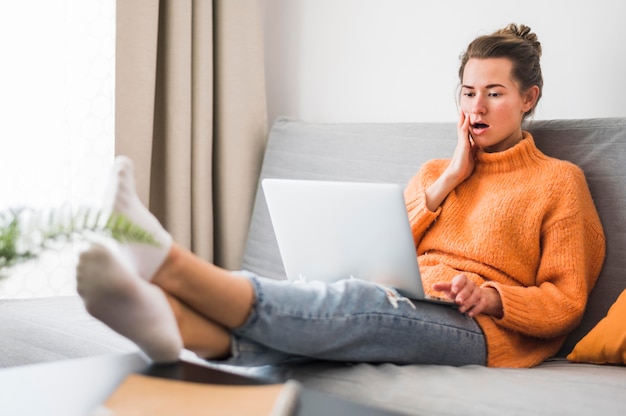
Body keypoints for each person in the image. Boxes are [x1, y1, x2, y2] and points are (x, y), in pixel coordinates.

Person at [77, 23, 606, 369]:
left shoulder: (558, 182)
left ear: (529, 97)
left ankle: (169, 264)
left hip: (482, 329)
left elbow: (566, 301)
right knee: (332, 322)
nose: (478, 108)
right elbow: (388, 244)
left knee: (358, 306)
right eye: (469, 93)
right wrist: (448, 181)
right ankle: (170, 323)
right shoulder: (436, 172)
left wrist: (494, 296)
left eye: (495, 93)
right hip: (410, 295)